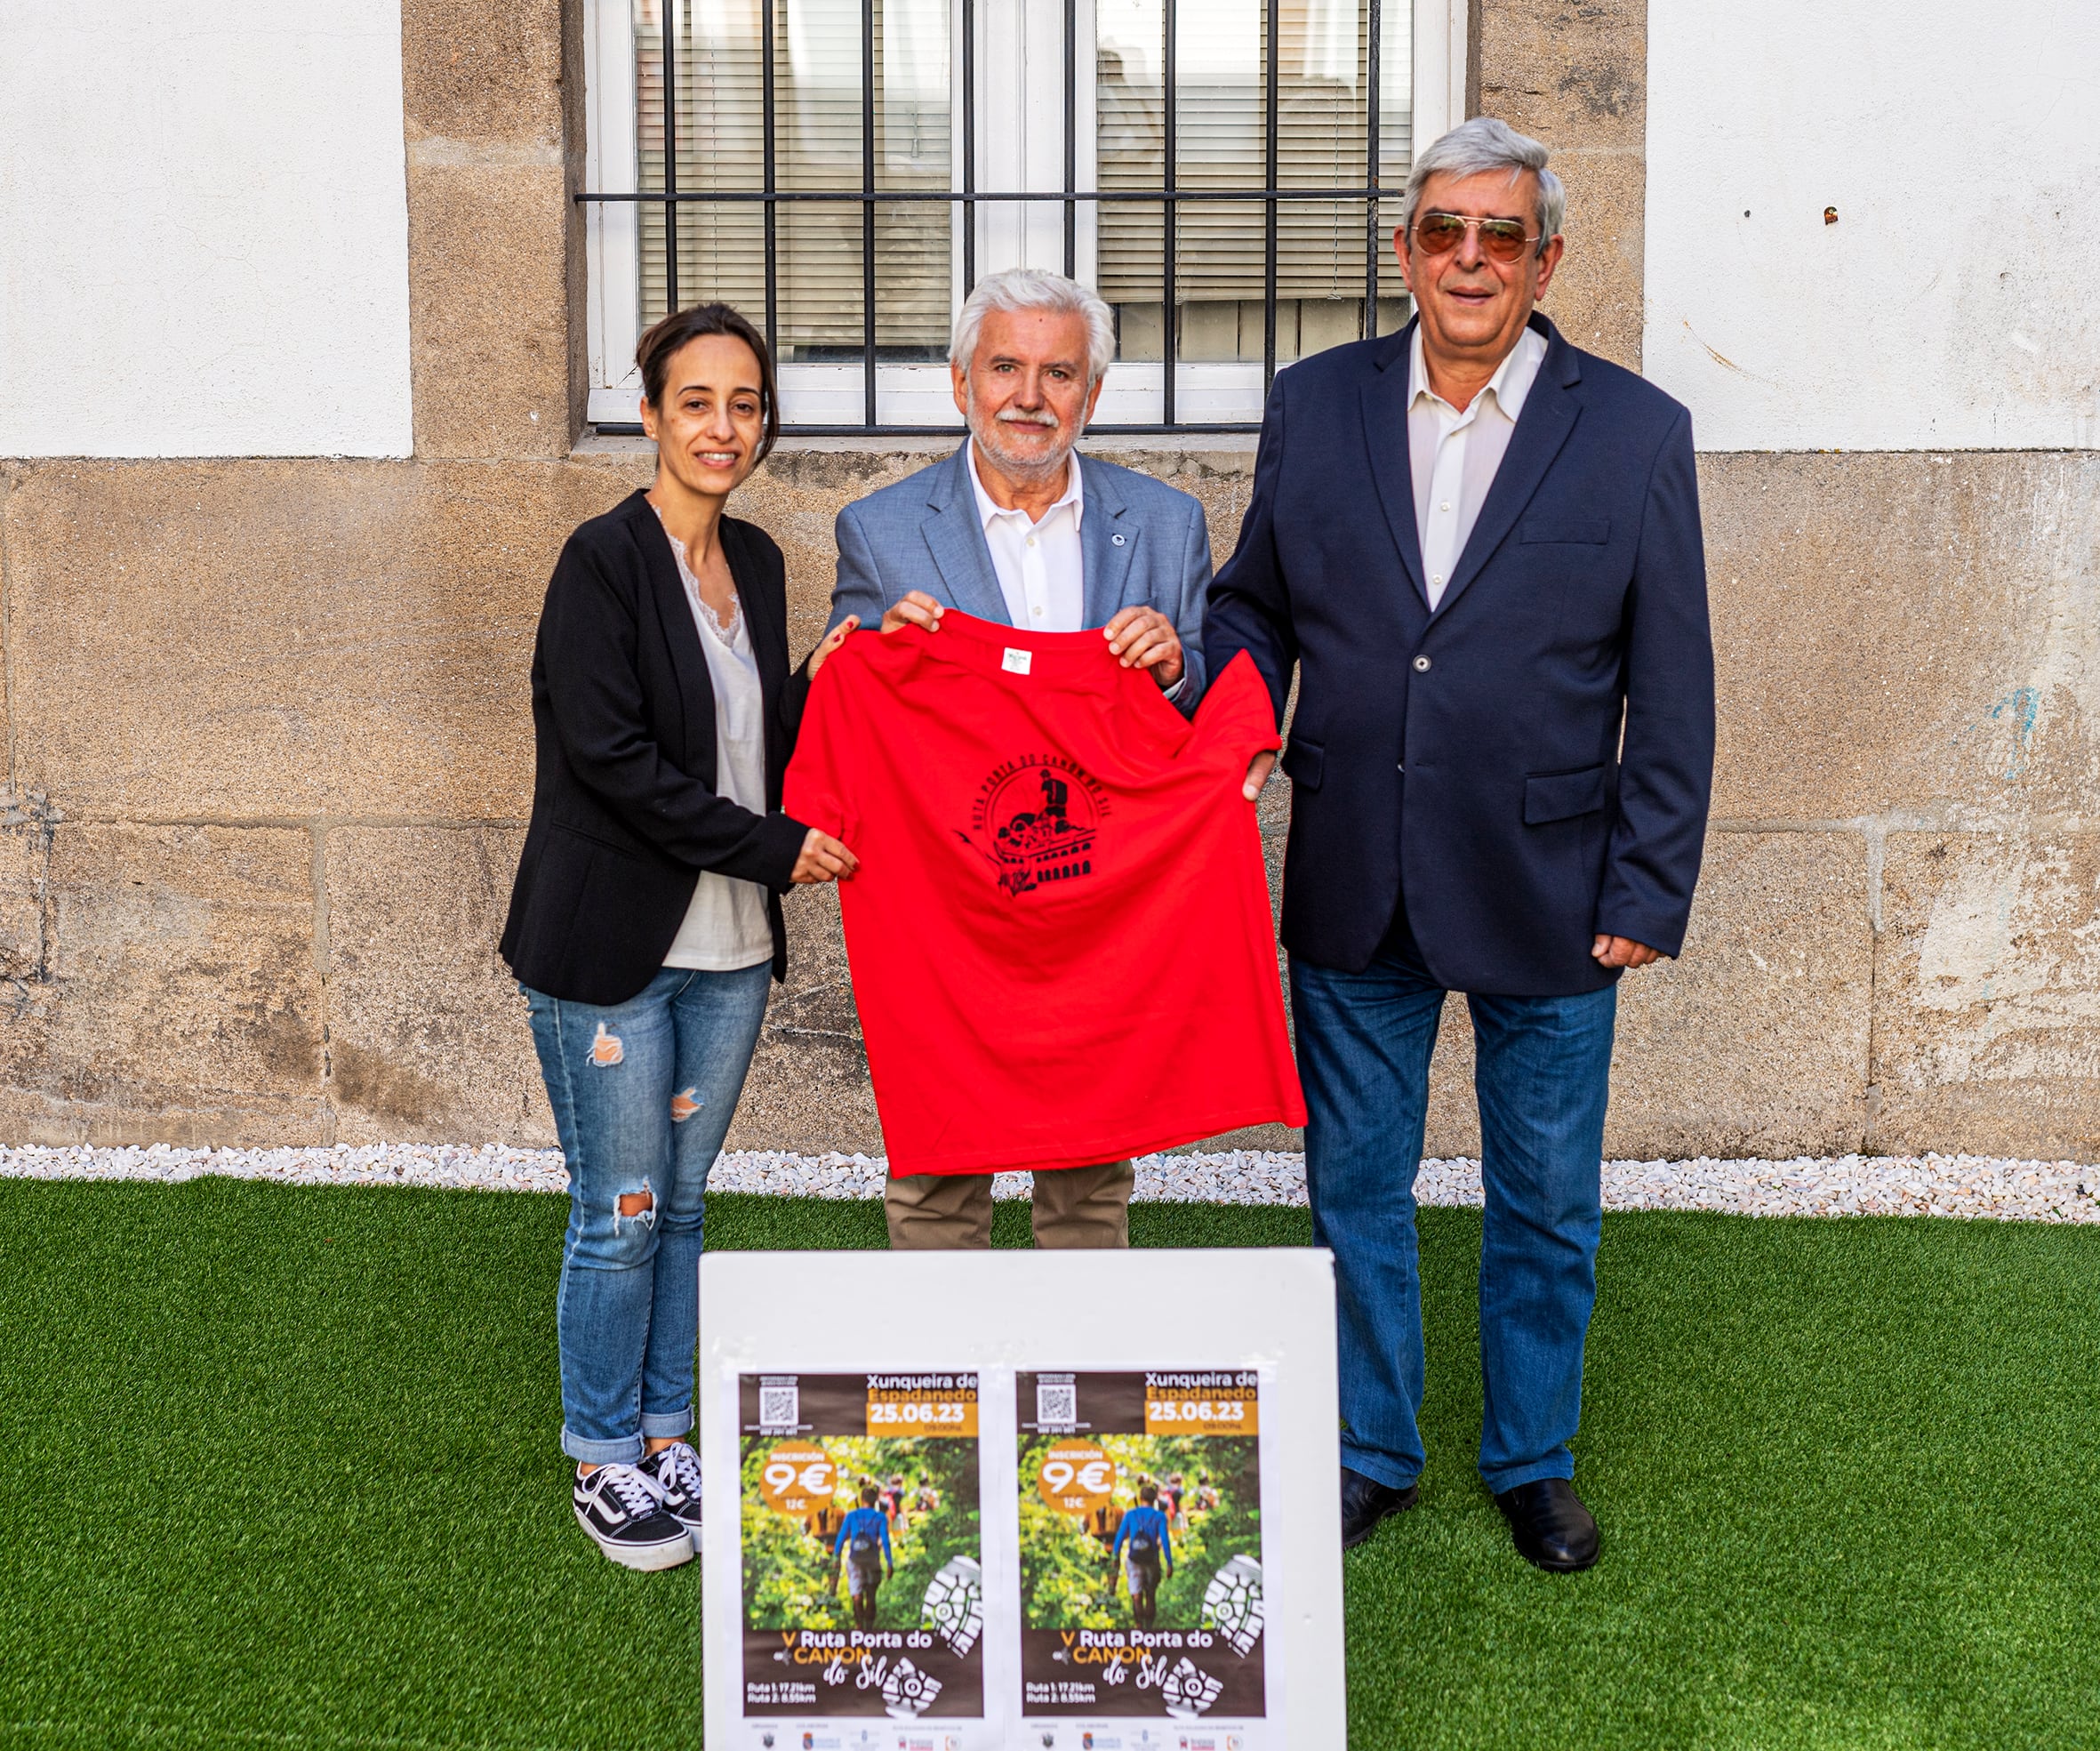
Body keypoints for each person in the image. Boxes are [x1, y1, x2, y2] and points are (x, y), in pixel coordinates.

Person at [1206, 117, 1714, 1573]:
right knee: (1351, 1180)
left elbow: (1671, 679)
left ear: (1544, 255)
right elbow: (1255, 604)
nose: (1472, 259)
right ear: (1404, 253)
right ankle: (1370, 1441)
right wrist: (1229, 713)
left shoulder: (1632, 432)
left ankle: (1531, 1455)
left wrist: (1646, 878)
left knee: (1542, 1195)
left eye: (1501, 234)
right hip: (1354, 866)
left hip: (1553, 884)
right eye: (1444, 233)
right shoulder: (1314, 407)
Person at [501, 302, 862, 1571]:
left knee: (688, 1201)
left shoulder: (755, 563)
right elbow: (610, 761)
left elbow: (754, 735)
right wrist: (773, 849)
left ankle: (664, 1433)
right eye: (697, 401)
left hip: (729, 950)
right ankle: (601, 1454)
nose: (724, 426)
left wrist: (847, 667)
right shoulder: (600, 560)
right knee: (623, 1206)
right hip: (609, 946)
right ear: (649, 413)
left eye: (746, 403)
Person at [824, 267, 1217, 1252]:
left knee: (1089, 1174)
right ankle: (947, 1397)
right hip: (946, 910)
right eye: (1005, 367)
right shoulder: (879, 529)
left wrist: (1172, 666)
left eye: (1058, 373)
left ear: (1092, 393)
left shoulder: (1166, 524)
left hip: (1094, 908)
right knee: (937, 1175)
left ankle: (1072, 1398)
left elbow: (1203, 702)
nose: (1029, 397)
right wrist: (871, 648)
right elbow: (833, 692)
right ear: (961, 383)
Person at [1110, 1482, 1174, 1628]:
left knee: (1137, 1596)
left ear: (1140, 1498)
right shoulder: (1159, 1516)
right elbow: (1164, 1539)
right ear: (1155, 1499)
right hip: (1152, 1560)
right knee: (1150, 1595)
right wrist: (1169, 1562)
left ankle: (1139, 1627)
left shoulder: (1131, 1514)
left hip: (1134, 1560)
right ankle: (1149, 1629)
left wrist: (1115, 1557)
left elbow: (1119, 1537)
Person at [834, 1484, 895, 1630]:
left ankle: (859, 1624)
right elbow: (885, 1540)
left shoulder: (851, 1515)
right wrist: (889, 1562)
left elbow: (841, 1538)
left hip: (854, 1559)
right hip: (873, 1559)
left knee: (857, 1592)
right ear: (875, 1501)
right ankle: (869, 1628)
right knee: (871, 1595)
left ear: (861, 1500)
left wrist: (836, 1558)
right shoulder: (880, 1517)